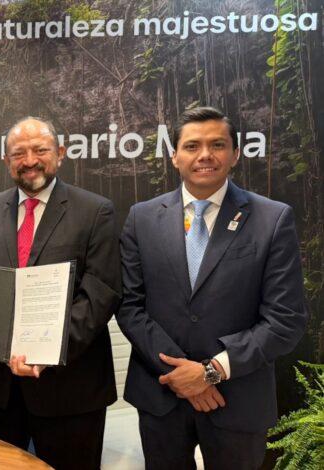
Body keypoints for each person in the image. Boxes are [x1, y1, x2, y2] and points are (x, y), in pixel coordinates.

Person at [117, 106, 308, 469]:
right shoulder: (142, 218)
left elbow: (285, 319)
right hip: (162, 394)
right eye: (192, 146)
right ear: (175, 156)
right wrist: (182, 376)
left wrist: (209, 372)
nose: (204, 155)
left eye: (217, 145)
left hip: (237, 397)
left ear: (235, 154)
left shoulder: (272, 219)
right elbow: (130, 307)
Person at [0, 117, 121, 469]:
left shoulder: (95, 211)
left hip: (71, 391)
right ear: (6, 160)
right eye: (19, 153)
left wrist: (47, 350)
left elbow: (100, 293)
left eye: (40, 150)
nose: (29, 160)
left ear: (60, 153)